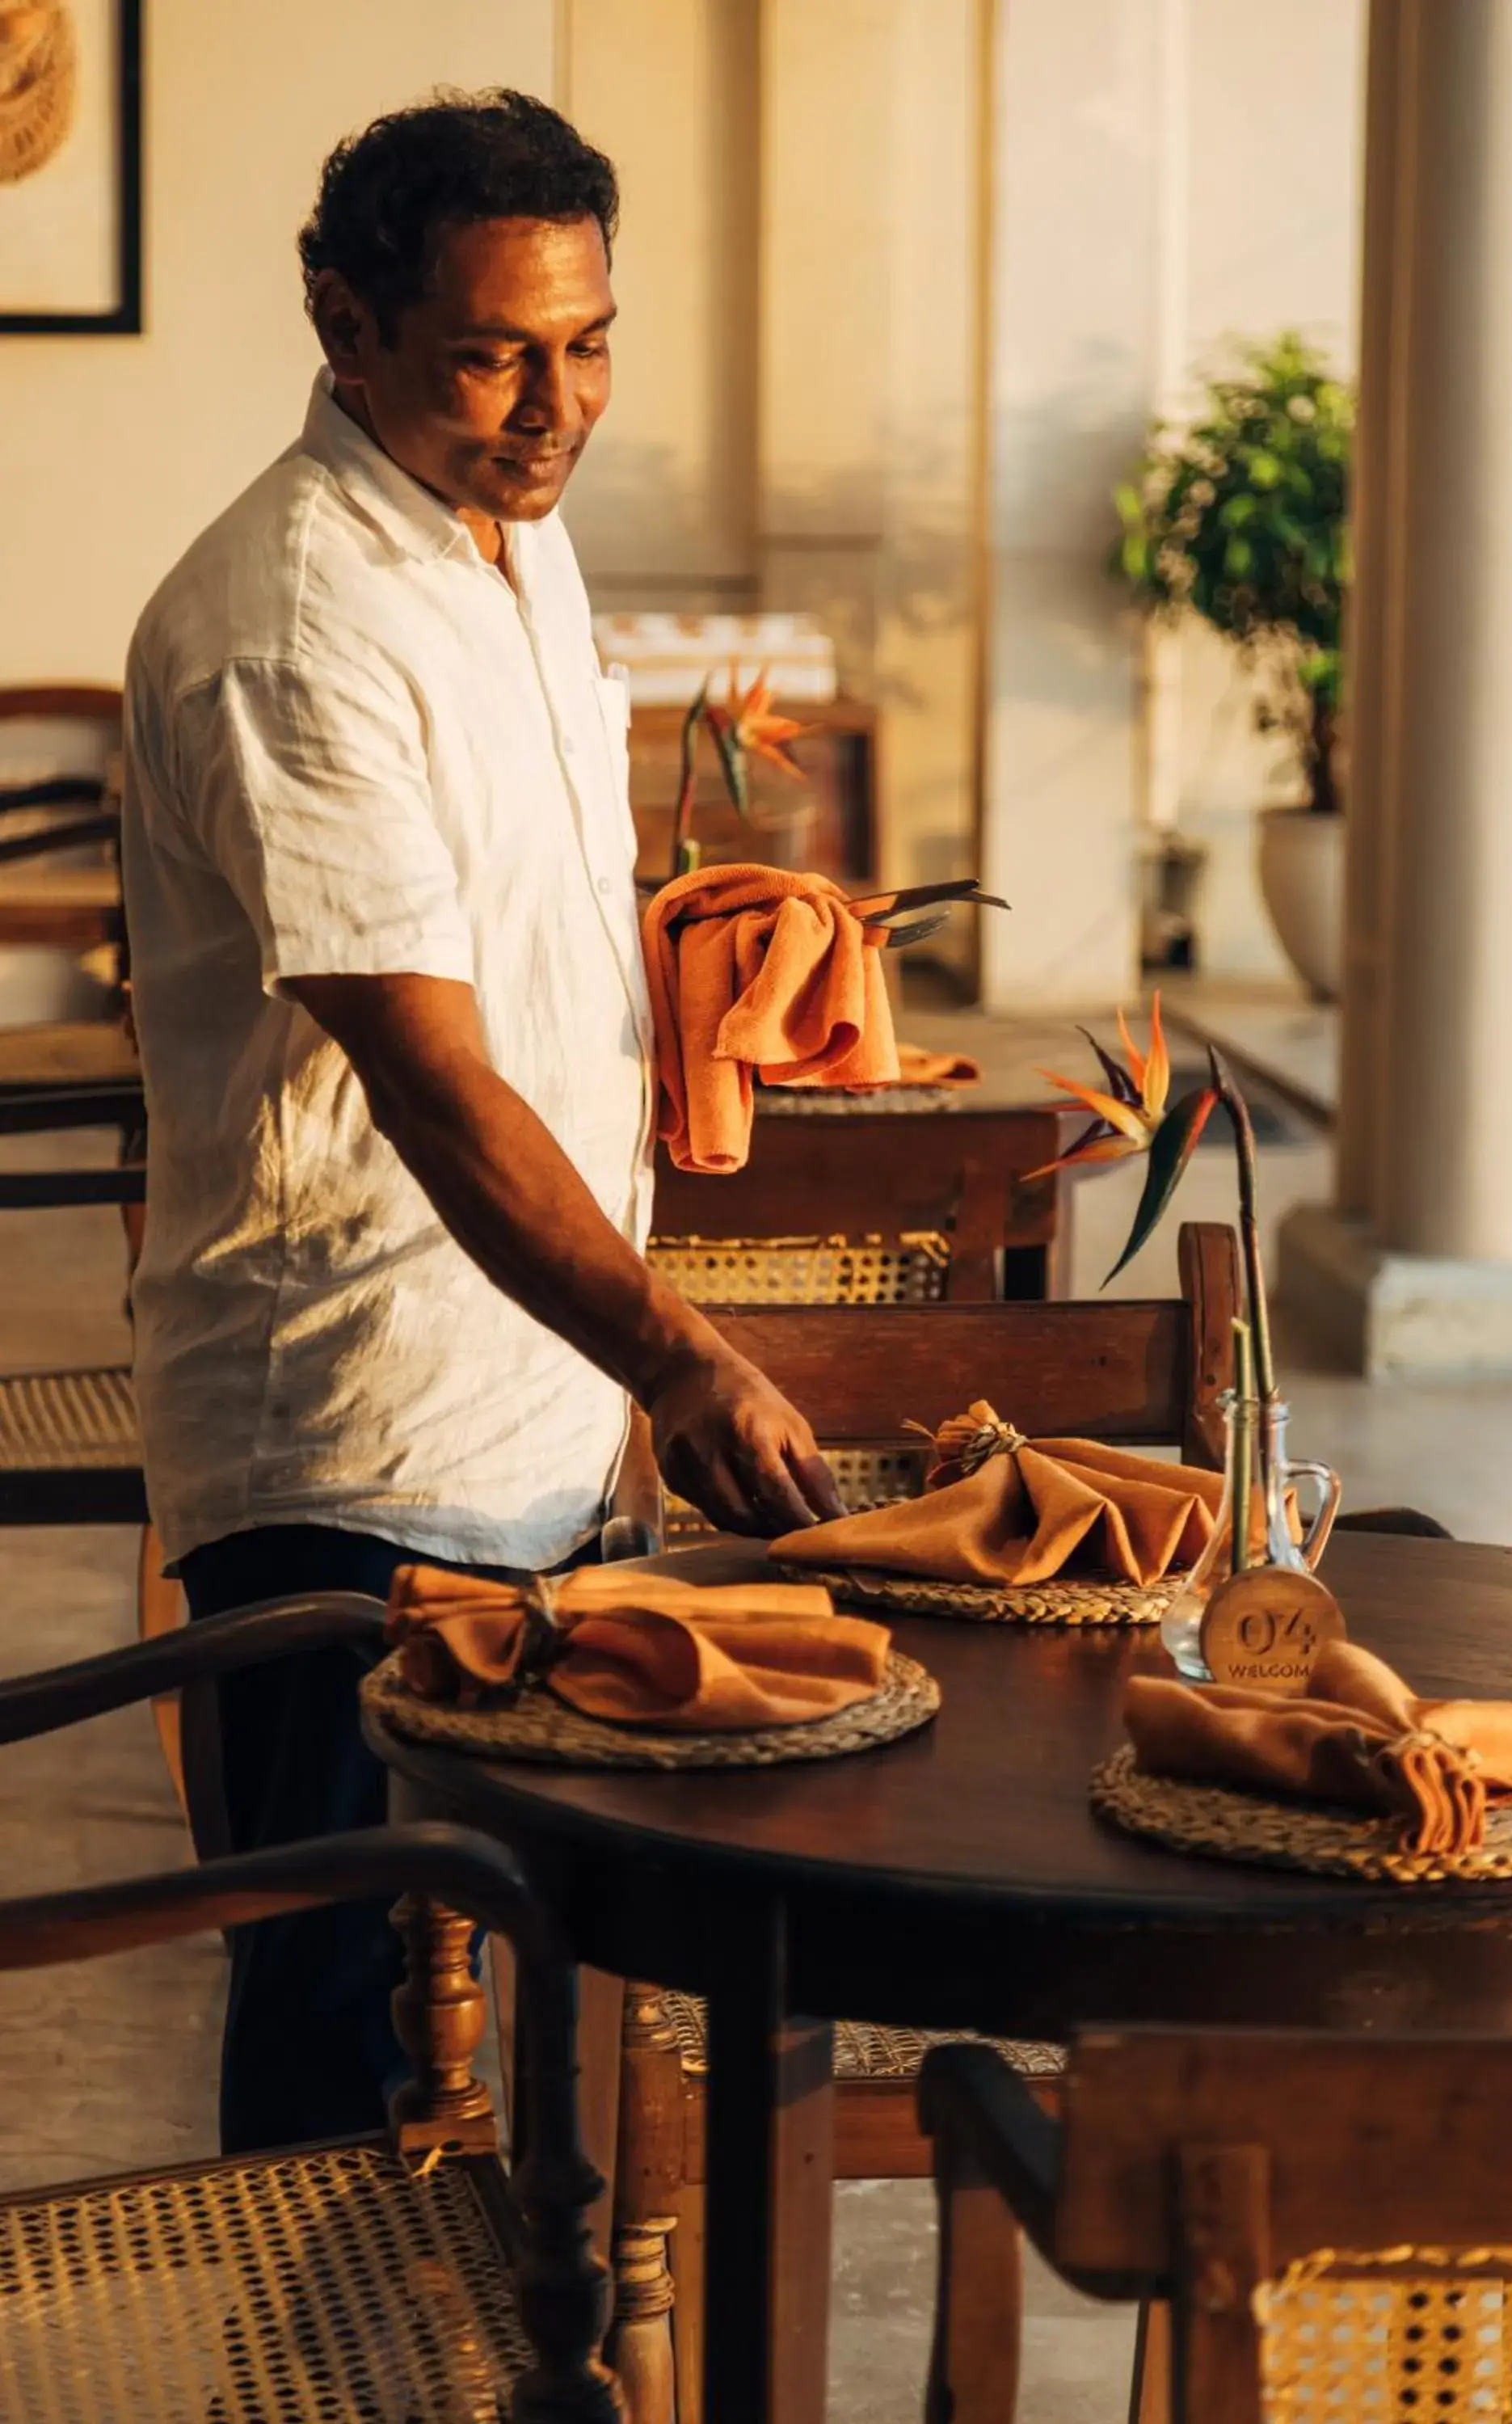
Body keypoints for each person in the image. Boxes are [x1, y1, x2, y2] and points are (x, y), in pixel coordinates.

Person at [121, 88, 842, 2155]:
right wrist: (681, 1355)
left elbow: (506, 930)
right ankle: (307, 2332)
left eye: (590, 343)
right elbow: (428, 1081)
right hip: (351, 1429)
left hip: (525, 1398)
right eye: (493, 354)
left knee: (499, 1992)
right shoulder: (289, 622)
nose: (557, 408)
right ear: (344, 326)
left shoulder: (506, 533)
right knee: (340, 2012)